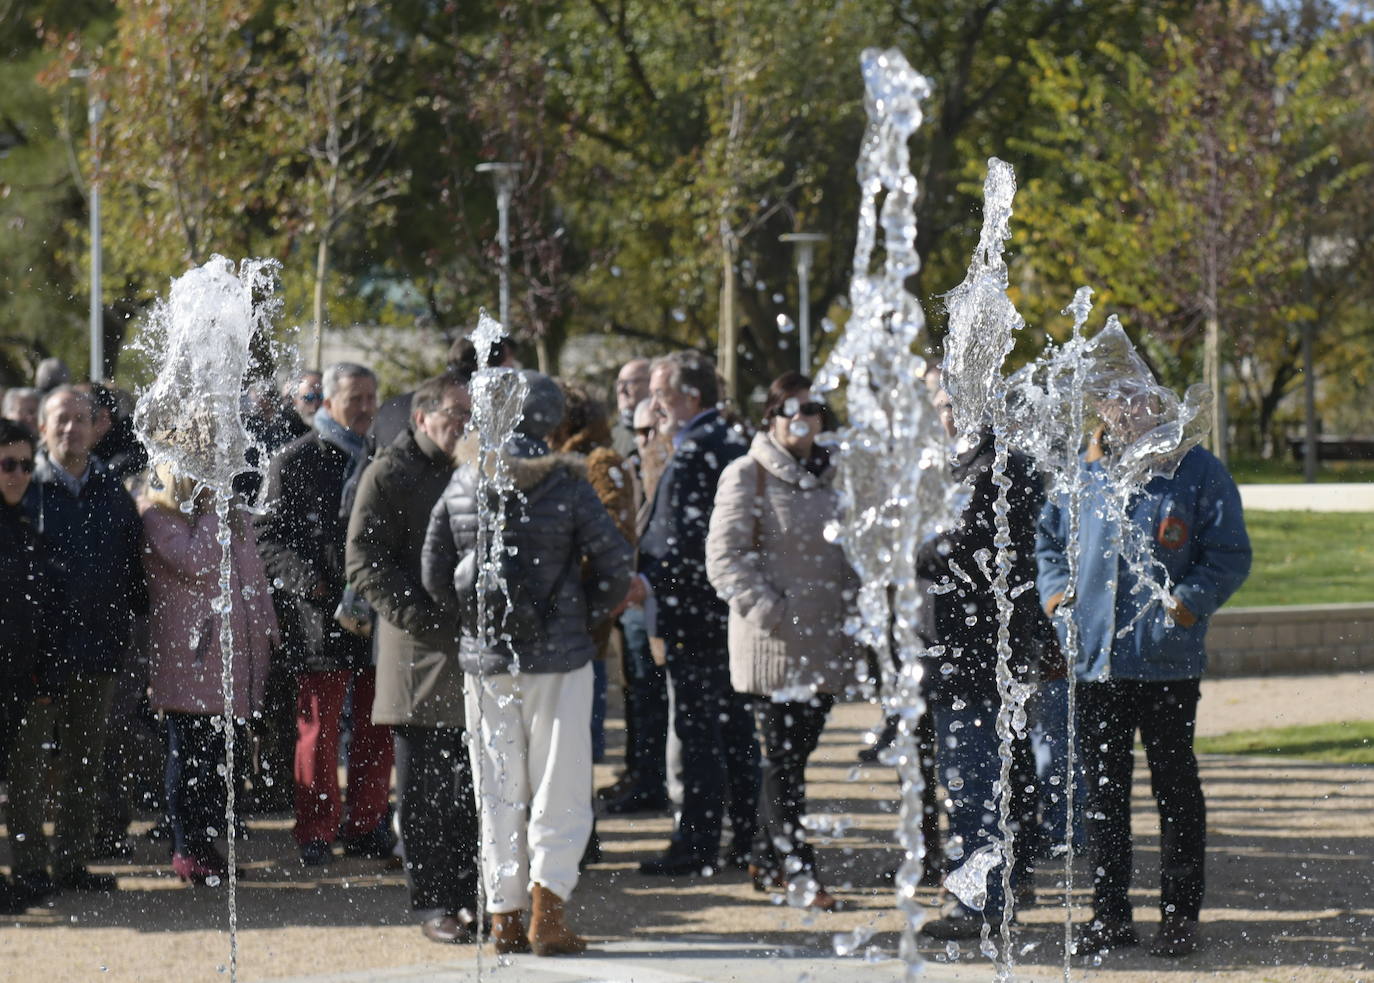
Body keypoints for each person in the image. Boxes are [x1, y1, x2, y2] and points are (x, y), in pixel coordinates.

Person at [422, 370, 632, 956]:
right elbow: (616, 563)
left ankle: (504, 917)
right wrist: (583, 617)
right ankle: (549, 915)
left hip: (486, 661)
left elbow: (433, 571)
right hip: (561, 660)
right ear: (549, 420)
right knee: (559, 786)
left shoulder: (464, 479)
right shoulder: (567, 483)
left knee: (497, 788)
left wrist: (472, 624)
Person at [1036, 393, 1251, 959]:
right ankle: (1109, 914)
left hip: (1166, 662)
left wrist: (1185, 604)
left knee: (1175, 788)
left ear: (1160, 404)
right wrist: (1058, 600)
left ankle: (1179, 917)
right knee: (1102, 793)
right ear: (1101, 409)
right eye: (1115, 399)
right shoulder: (1081, 472)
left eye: (1140, 398)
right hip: (1096, 661)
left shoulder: (1197, 471)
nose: (1128, 410)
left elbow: (1229, 554)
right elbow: (1049, 542)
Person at [705, 372, 860, 911]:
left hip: (824, 644)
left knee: (798, 754)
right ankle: (798, 870)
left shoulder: (836, 475)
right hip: (773, 646)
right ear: (770, 418)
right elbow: (724, 560)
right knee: (784, 760)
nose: (801, 420)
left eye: (812, 410)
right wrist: (773, 611)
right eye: (789, 410)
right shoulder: (748, 474)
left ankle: (766, 856)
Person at [914, 380, 1054, 940]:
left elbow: (970, 545)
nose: (945, 417)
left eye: (953, 407)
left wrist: (914, 543)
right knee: (975, 777)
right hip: (955, 649)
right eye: (941, 407)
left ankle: (983, 903)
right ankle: (996, 887)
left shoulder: (1002, 468)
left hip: (982, 652)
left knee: (974, 780)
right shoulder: (953, 467)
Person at [346, 372, 480, 945]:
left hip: (475, 654)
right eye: (453, 414)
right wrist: (422, 616)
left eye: (468, 415)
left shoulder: (474, 470)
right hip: (417, 655)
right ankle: (434, 904)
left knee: (472, 786)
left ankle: (475, 894)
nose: (463, 425)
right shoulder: (389, 473)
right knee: (426, 789)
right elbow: (362, 560)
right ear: (422, 417)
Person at [256, 362, 395, 866]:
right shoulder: (294, 461)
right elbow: (268, 539)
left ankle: (367, 823)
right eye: (354, 398)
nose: (364, 408)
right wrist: (314, 586)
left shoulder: (384, 458)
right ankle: (315, 828)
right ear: (328, 402)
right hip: (320, 619)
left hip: (379, 614)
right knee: (319, 729)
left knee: (378, 726)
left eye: (370, 398)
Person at [9, 386, 145, 895]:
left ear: (97, 427)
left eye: (80, 419)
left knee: (85, 762)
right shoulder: (22, 486)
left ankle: (70, 863)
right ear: (42, 428)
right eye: (60, 420)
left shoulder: (112, 489)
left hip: (99, 650)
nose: (71, 428)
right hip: (35, 657)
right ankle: (27, 868)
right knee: (27, 767)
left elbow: (133, 568)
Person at [630, 351, 760, 876]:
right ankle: (747, 836)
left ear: (691, 398)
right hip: (716, 614)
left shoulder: (699, 450)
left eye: (662, 395)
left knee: (702, 731)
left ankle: (700, 842)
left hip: (695, 614)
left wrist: (645, 580)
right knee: (731, 729)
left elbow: (686, 542)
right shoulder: (722, 443)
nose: (654, 405)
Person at [140, 465, 278, 883]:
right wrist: (216, 513)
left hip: (230, 662)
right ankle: (186, 847)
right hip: (192, 663)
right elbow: (196, 562)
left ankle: (205, 846)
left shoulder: (229, 516)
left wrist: (268, 629)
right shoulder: (159, 519)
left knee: (218, 760)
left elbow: (253, 575)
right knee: (190, 760)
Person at [599, 397, 671, 814]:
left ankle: (654, 782)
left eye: (651, 431)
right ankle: (642, 775)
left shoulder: (674, 473)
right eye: (639, 432)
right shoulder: (629, 470)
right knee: (637, 694)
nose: (644, 440)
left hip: (659, 601)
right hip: (631, 601)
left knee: (655, 697)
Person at [0, 419, 51, 912]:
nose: (16, 474)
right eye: (6, 464)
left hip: (15, 678)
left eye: (24, 464)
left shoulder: (21, 522)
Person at [610, 357, 651, 457]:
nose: (621, 390)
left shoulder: (662, 431)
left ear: (651, 384)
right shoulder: (612, 433)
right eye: (619, 383)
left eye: (629, 382)